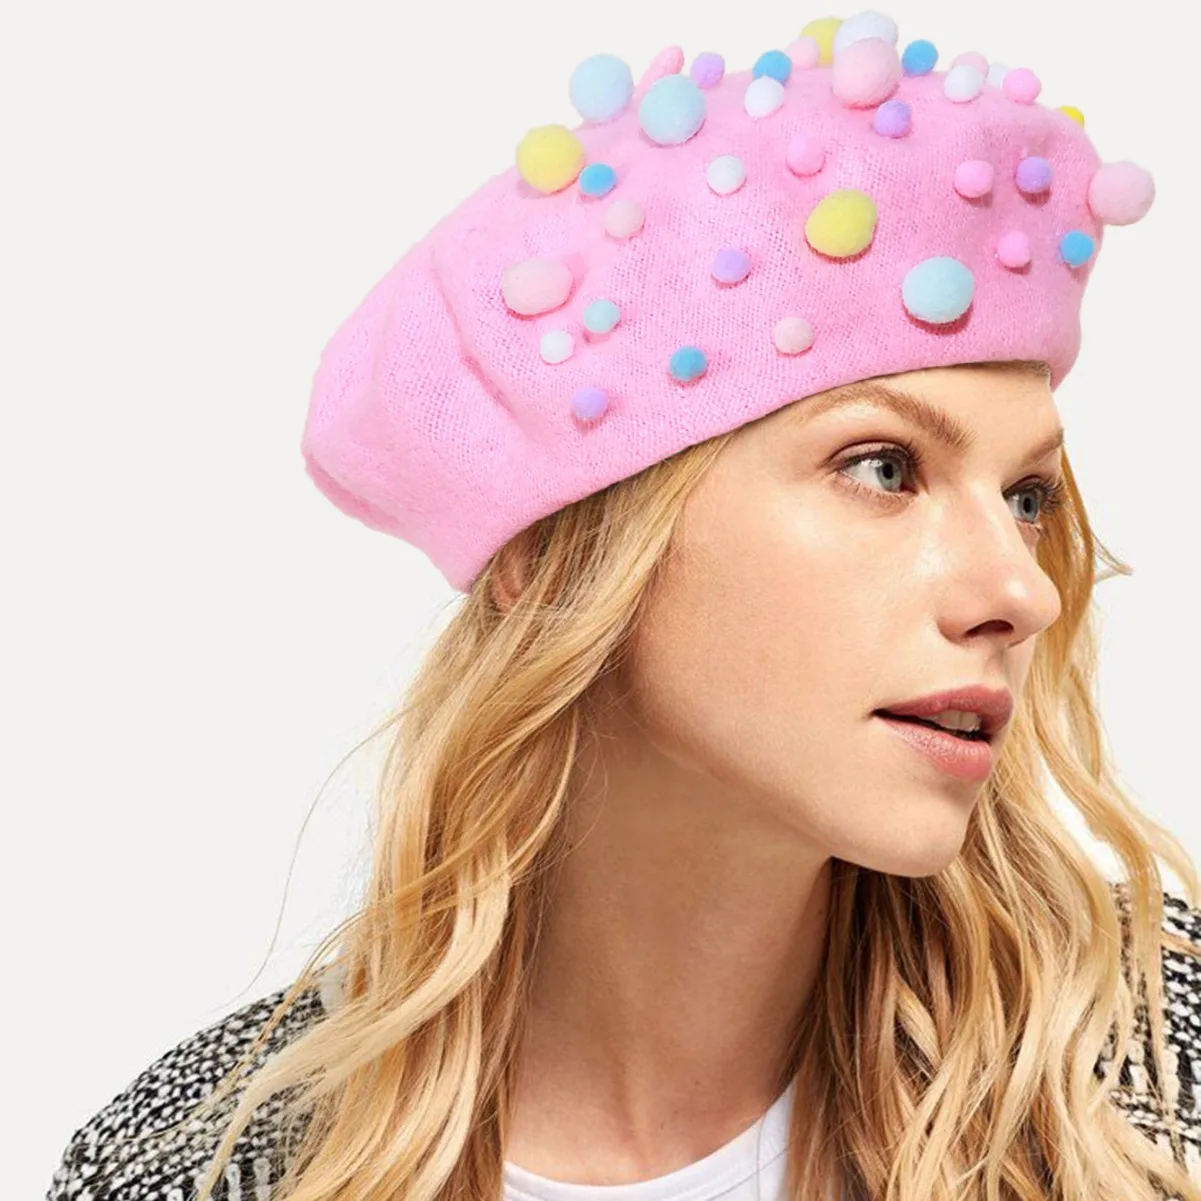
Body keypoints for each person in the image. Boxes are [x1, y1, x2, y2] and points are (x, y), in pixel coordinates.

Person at [45, 11, 1201, 1201]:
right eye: (881, 467)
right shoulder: (191, 1167)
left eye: (1024, 496)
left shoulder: (1153, 1074)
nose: (1020, 591)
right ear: (553, 551)